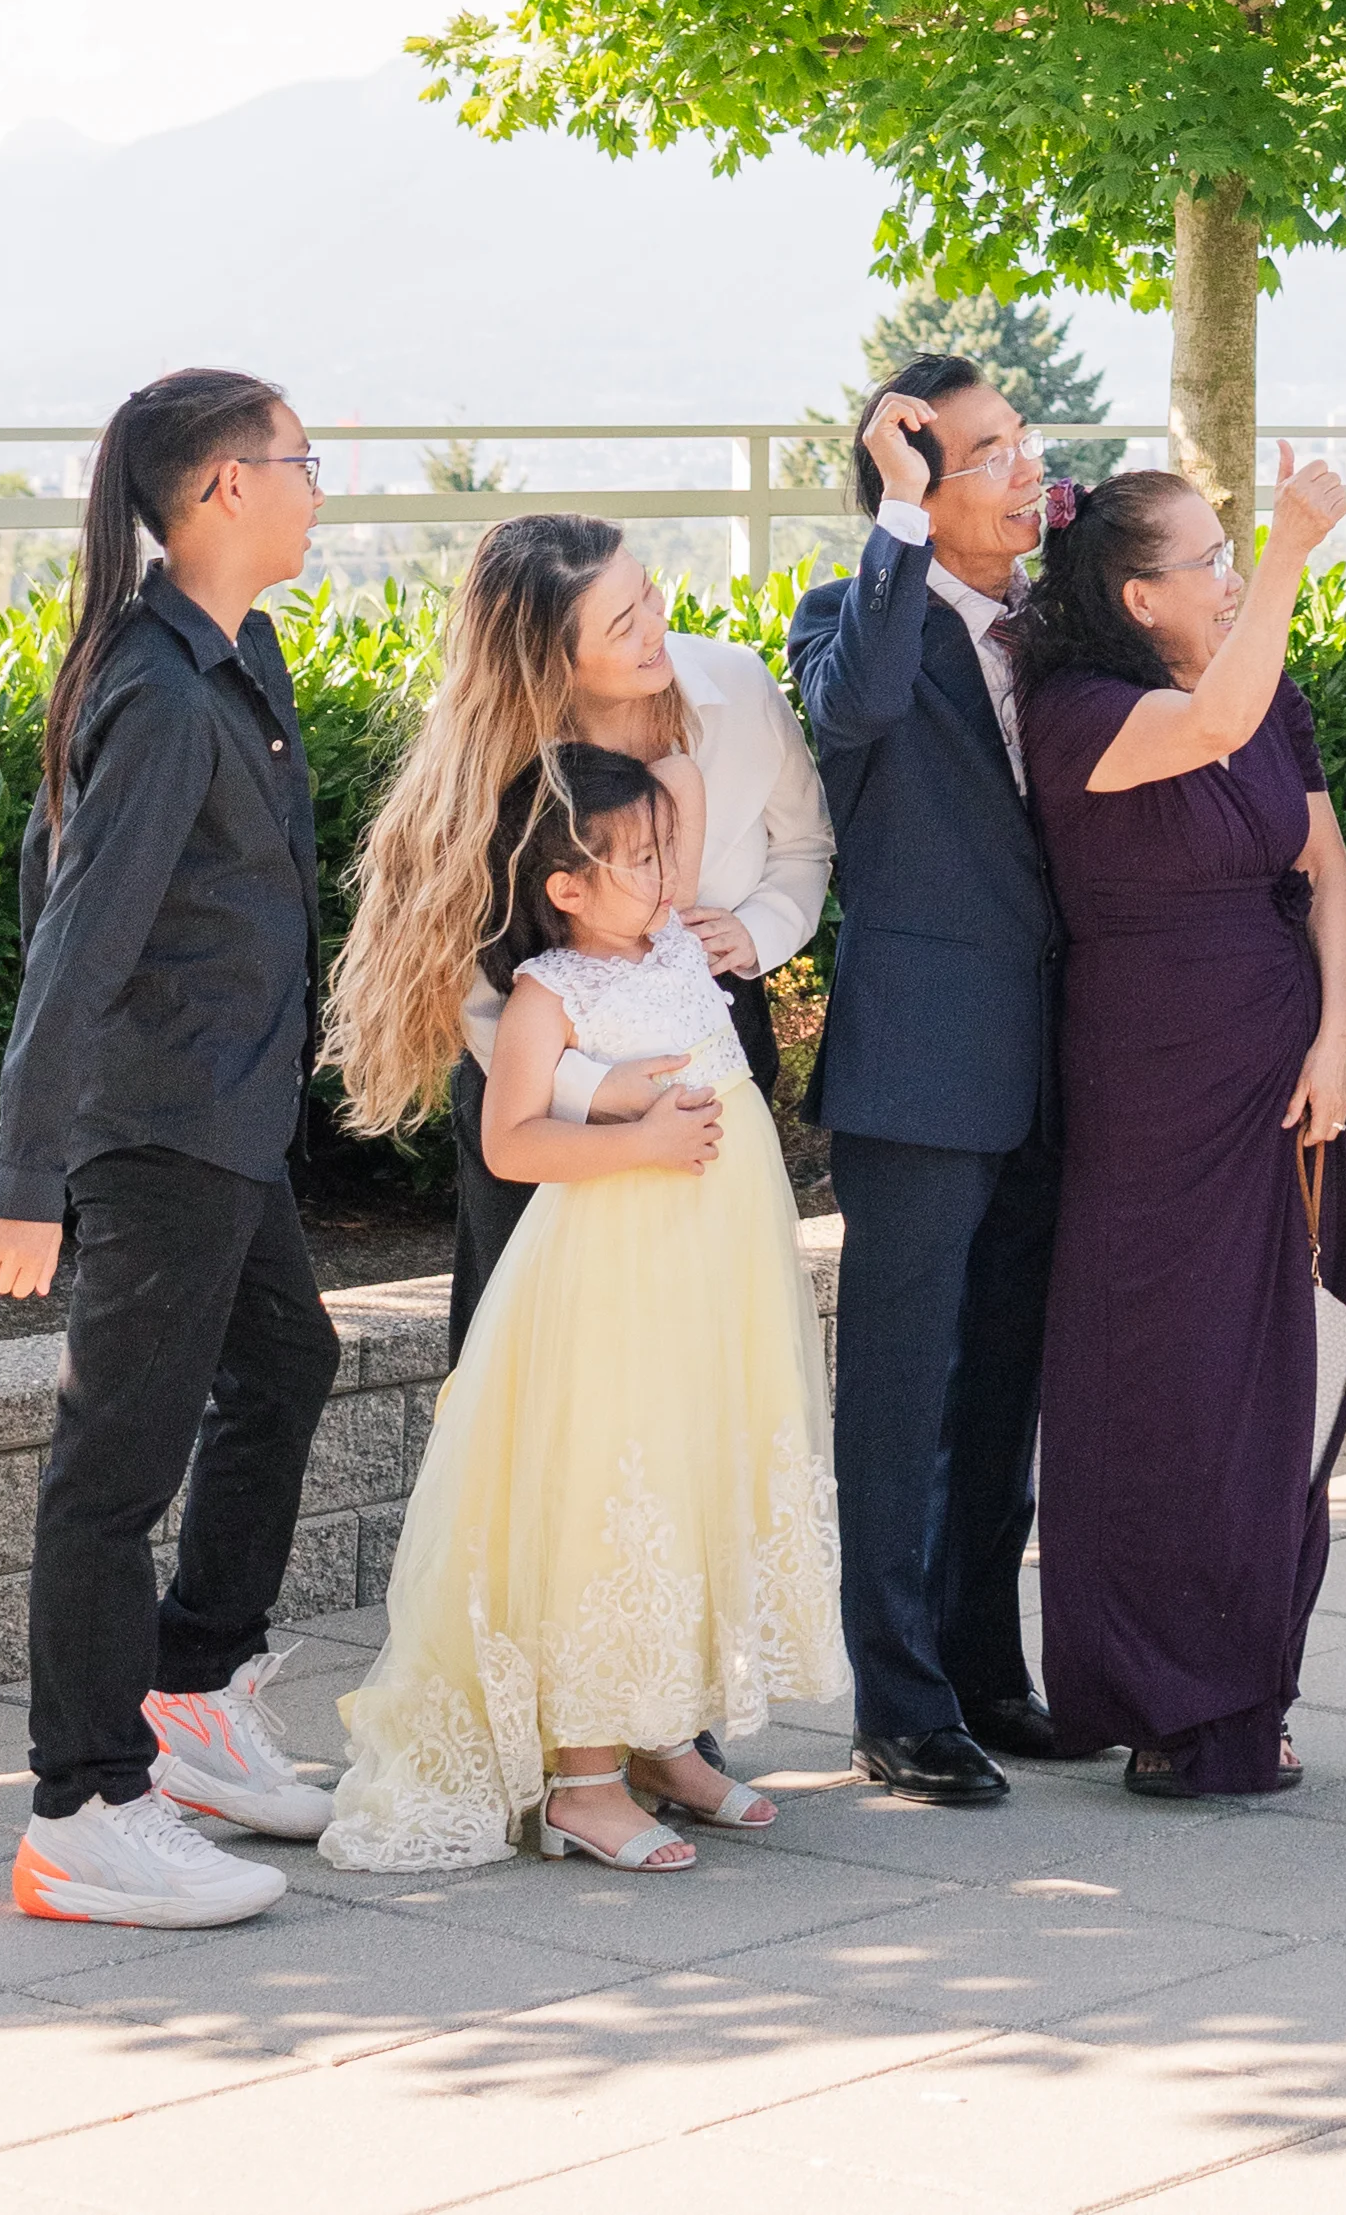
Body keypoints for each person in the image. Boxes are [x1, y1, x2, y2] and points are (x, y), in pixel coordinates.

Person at [0, 366, 344, 1933]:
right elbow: (80, 937)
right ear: (225, 489)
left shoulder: (228, 653)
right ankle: (82, 1804)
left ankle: (191, 1689)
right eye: (304, 456)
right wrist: (23, 1171)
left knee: (289, 1364)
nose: (323, 480)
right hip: (161, 1129)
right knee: (111, 1469)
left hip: (225, 1119)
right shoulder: (169, 690)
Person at [322, 743, 843, 1870]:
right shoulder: (548, 994)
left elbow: (688, 780)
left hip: (716, 1270)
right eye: (641, 858)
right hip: (619, 1276)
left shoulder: (671, 941)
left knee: (690, 1473)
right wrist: (639, 1136)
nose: (669, 872)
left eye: (667, 853)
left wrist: (641, 711)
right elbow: (512, 1143)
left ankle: (659, 1734)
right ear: (564, 887)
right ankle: (583, 1779)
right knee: (617, 1487)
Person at [1016, 443, 1346, 1797]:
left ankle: (1255, 1685)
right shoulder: (1078, 708)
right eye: (1209, 558)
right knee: (1162, 1384)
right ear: (1137, 593)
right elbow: (1213, 728)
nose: (1230, 577)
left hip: (1284, 1074)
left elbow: (1326, 867)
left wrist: (1338, 1034)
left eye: (1236, 553)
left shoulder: (1269, 688)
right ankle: (1158, 1691)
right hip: (1152, 1076)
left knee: (1284, 1383)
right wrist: (1288, 548)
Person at [320, 510, 830, 1354]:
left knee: (707, 1347)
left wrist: (756, 930)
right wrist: (597, 1093)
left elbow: (807, 844)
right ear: (553, 659)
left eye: (649, 594)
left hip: (714, 1055)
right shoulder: (488, 755)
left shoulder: (736, 684)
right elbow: (474, 984)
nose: (656, 626)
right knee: (529, 1352)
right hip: (537, 1084)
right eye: (622, 623)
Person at [786, 350, 1066, 1805]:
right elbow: (856, 713)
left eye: (1025, 439)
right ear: (910, 475)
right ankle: (897, 1701)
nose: (1025, 467)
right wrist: (896, 521)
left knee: (1004, 1383)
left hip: (1052, 1056)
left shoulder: (1056, 619)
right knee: (900, 1393)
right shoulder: (853, 611)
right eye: (987, 451)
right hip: (919, 1062)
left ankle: (983, 1666)